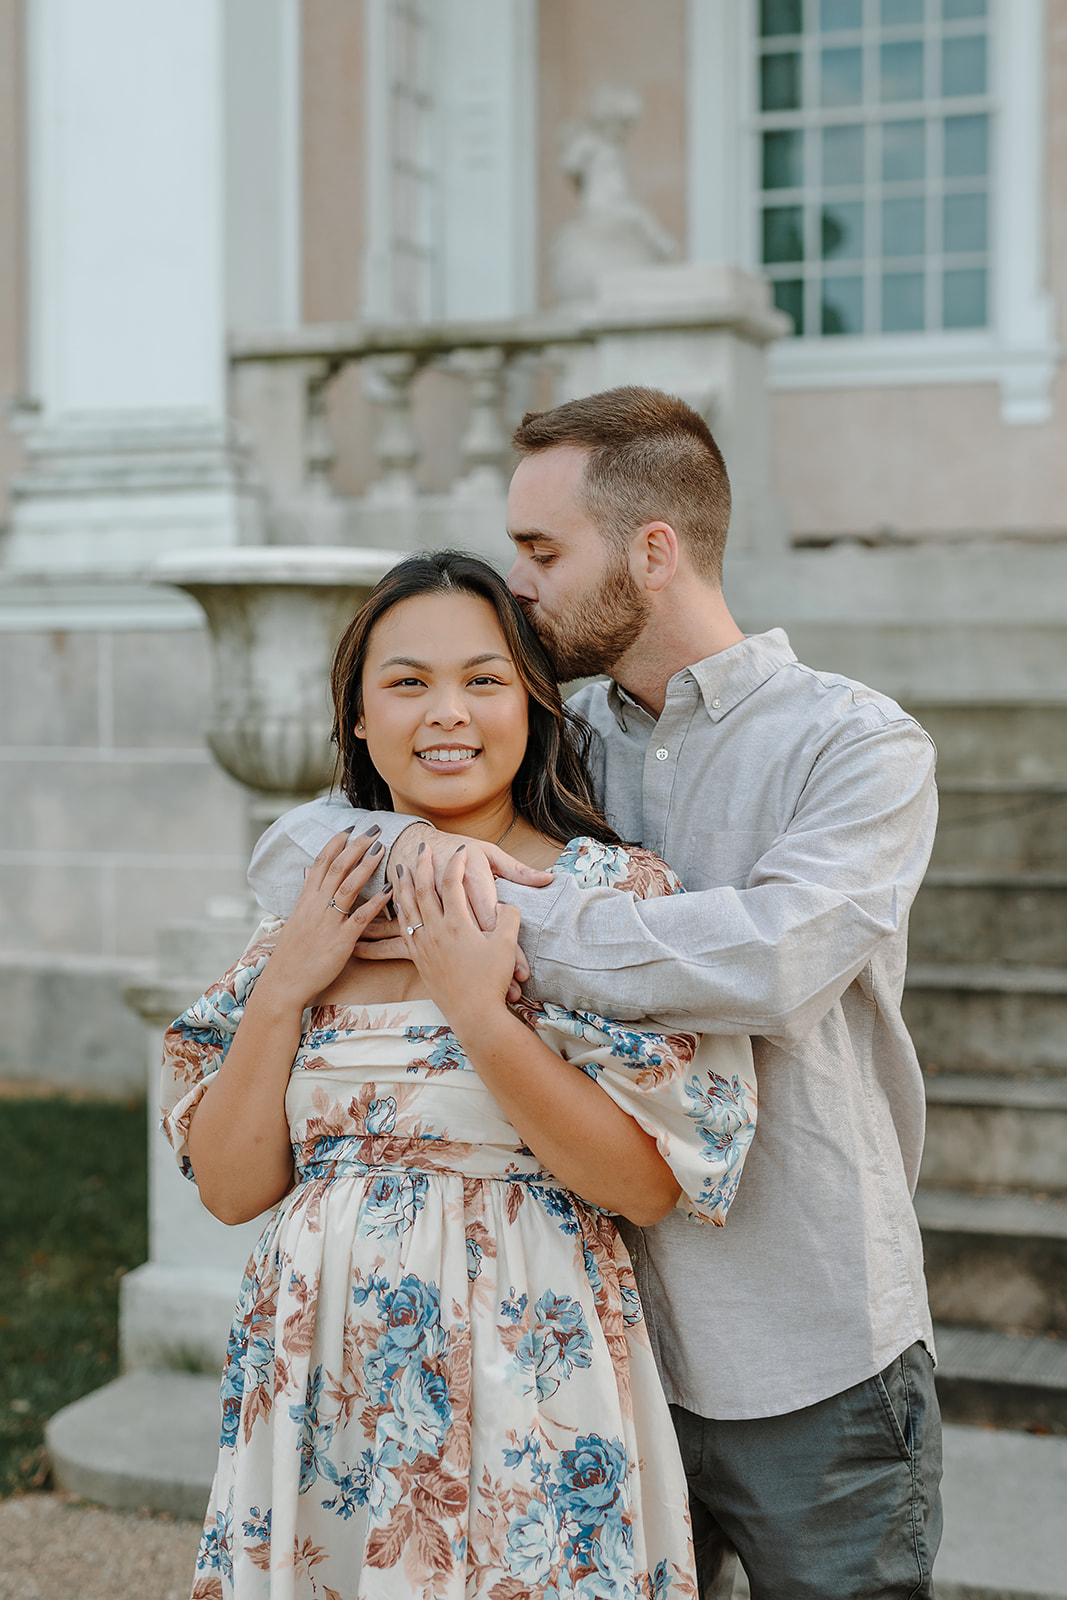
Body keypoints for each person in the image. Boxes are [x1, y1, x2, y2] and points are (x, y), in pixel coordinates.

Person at [251, 387, 945, 1600]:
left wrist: (483, 925)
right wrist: (425, 867)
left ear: (651, 550)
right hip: (584, 1342)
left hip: (806, 1346)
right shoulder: (558, 729)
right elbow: (298, 843)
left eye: (540, 552)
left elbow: (766, 962)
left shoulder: (856, 746)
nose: (516, 588)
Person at [161, 550, 756, 1600]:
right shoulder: (311, 905)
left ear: (532, 705)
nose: (446, 713)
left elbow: (643, 1186)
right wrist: (284, 988)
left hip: (525, 1373)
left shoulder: (608, 900)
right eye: (406, 682)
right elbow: (230, 1187)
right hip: (319, 1393)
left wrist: (479, 1009)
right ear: (355, 716)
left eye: (483, 680)